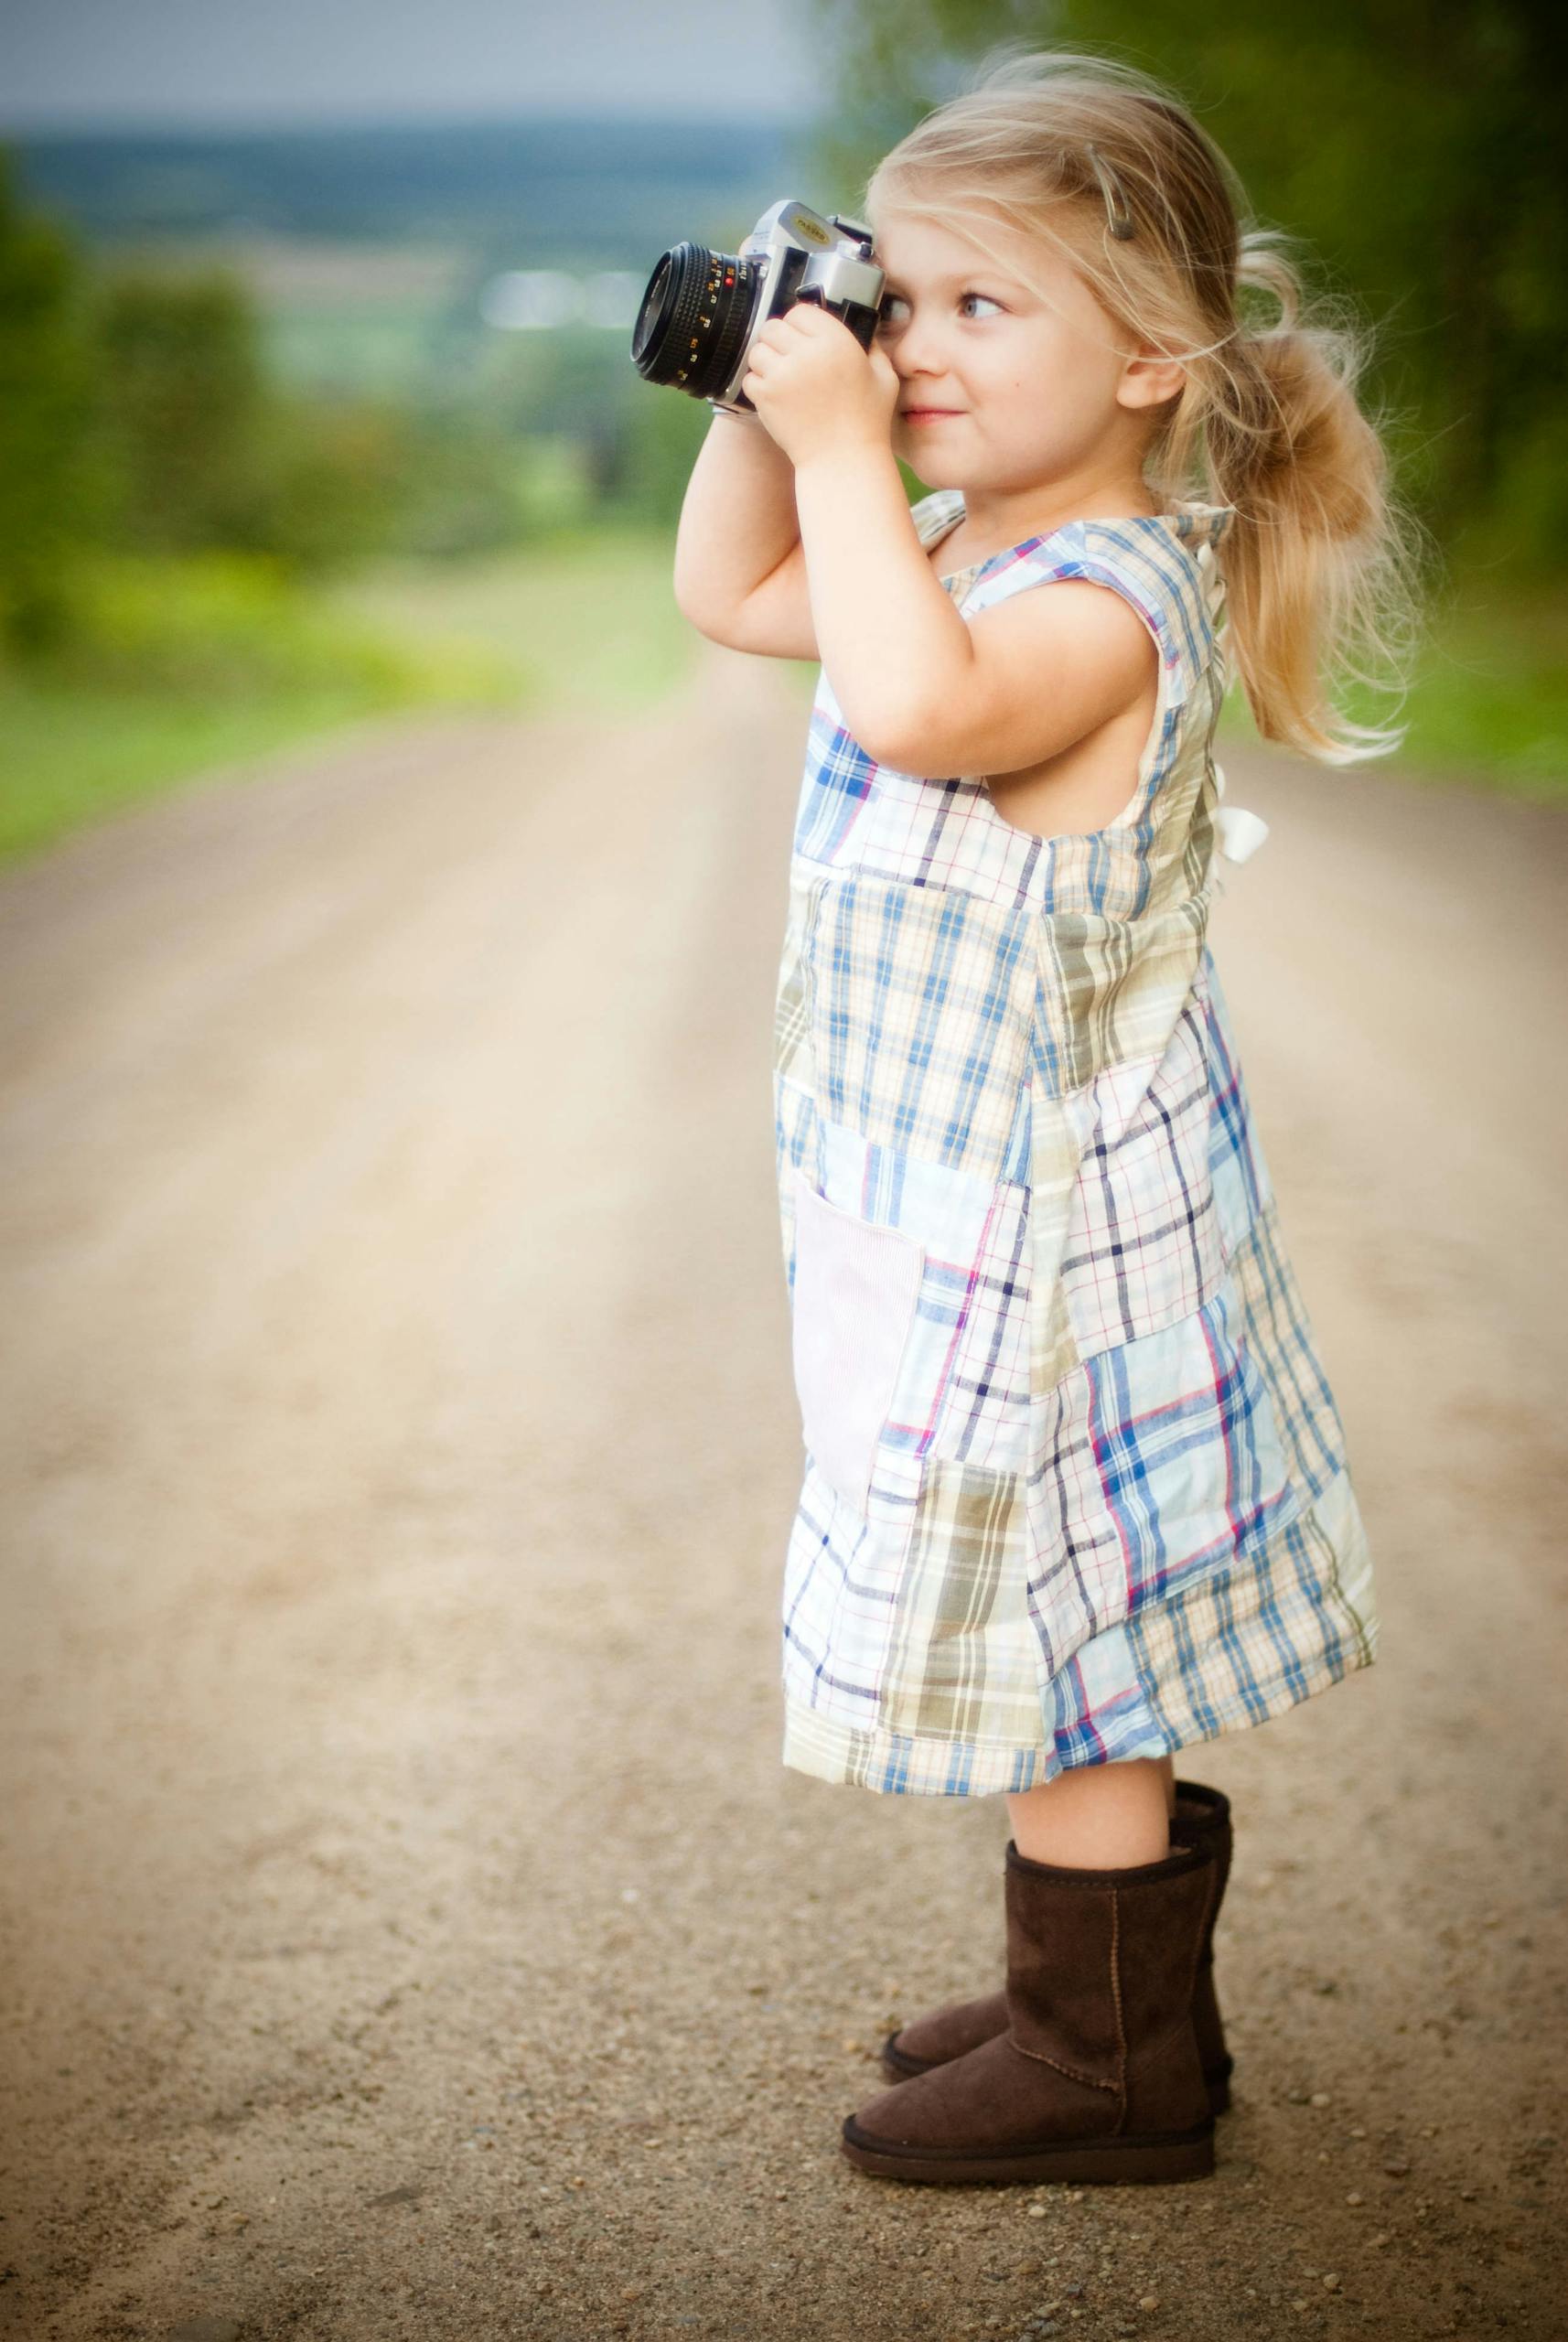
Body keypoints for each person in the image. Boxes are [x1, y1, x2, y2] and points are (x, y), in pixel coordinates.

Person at [671, 44, 1424, 2186]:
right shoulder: (954, 551)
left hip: (1064, 1231)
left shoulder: (1099, 601)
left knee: (1061, 1618)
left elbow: (907, 707)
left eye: (977, 307)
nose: (906, 352)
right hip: (953, 1197)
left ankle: (1110, 2064)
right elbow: (733, 603)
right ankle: (1084, 1991)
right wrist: (764, 406)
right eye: (889, 301)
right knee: (1033, 1589)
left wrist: (835, 439)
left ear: (1150, 358)